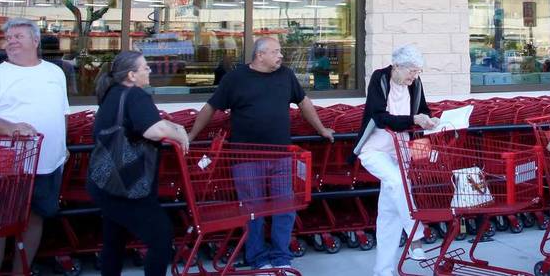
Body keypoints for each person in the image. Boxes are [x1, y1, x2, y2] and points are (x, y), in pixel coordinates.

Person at [187, 36, 335, 269]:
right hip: (246, 157)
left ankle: (281, 258)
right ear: (260, 55)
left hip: (281, 155)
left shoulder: (286, 75)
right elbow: (211, 107)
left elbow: (304, 103)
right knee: (252, 211)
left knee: (285, 207)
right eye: (275, 52)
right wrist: (191, 136)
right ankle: (257, 259)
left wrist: (322, 129)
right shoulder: (236, 78)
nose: (281, 55)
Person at [0, 19, 69, 275]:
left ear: (35, 41)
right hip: (4, 166)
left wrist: (63, 145)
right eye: (8, 37)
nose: (11, 41)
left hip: (47, 164)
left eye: (18, 36)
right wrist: (11, 128)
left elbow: (63, 112)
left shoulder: (55, 73)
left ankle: (21, 272)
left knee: (35, 219)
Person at [88, 51, 189, 276]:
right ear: (131, 75)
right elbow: (153, 130)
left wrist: (171, 126)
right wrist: (180, 133)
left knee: (114, 239)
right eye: (145, 67)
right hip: (129, 183)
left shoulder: (112, 93)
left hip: (105, 182)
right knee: (161, 237)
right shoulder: (136, 95)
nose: (149, 70)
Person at [352, 45, 438, 276]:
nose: (415, 76)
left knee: (389, 214)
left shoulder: (415, 84)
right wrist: (414, 119)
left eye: (418, 71)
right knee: (399, 182)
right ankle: (416, 237)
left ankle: (383, 270)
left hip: (400, 151)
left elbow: (423, 110)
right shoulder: (380, 78)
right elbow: (380, 117)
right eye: (412, 71)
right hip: (374, 150)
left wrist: (430, 120)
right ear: (397, 66)